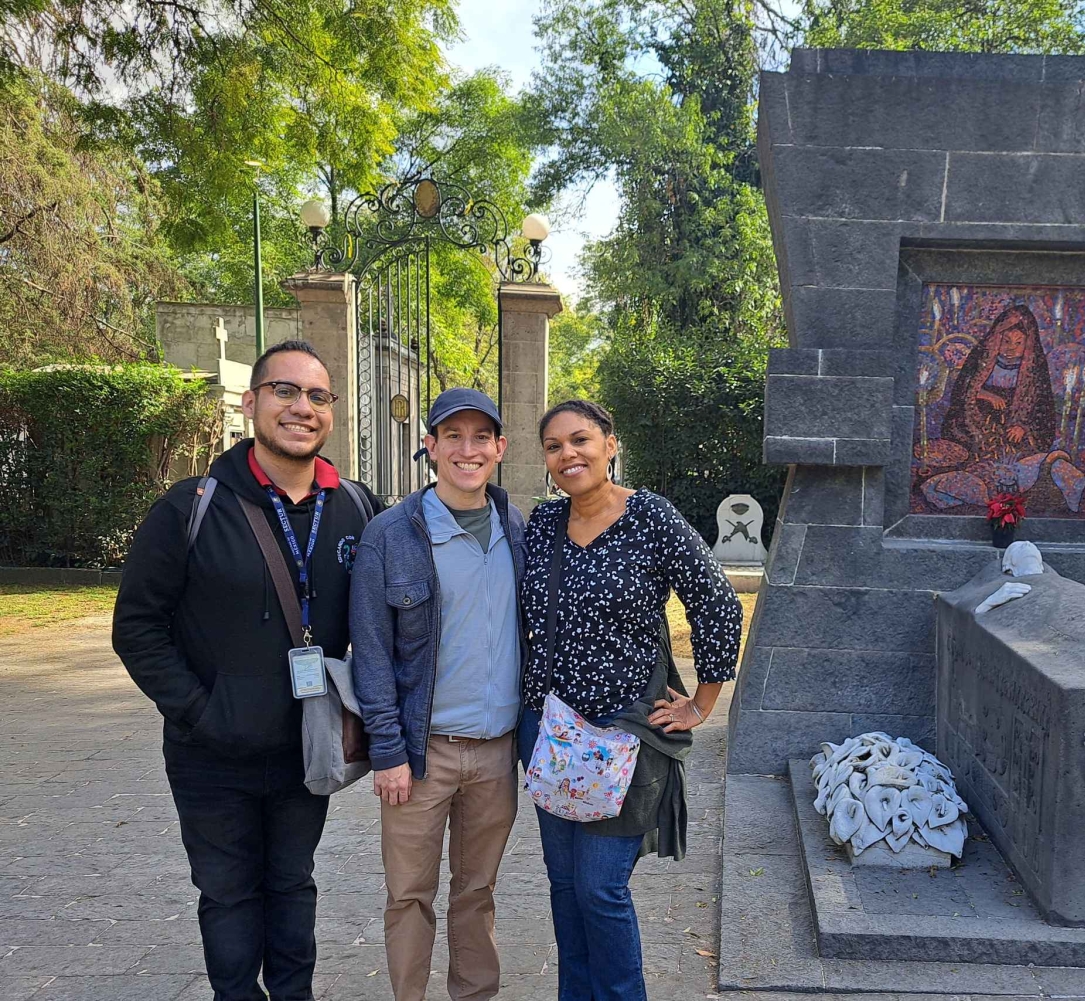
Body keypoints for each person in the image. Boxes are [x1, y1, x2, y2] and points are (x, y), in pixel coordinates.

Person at [113, 339, 381, 1001]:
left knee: (292, 886)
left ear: (332, 412)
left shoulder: (356, 506)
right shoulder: (192, 506)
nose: (302, 407)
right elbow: (137, 627)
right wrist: (202, 712)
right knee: (229, 894)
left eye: (318, 396)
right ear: (251, 402)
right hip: (212, 755)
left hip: (307, 747)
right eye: (285, 391)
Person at [518, 399, 742, 1001]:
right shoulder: (542, 526)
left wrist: (702, 702)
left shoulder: (651, 518)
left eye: (581, 440)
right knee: (564, 888)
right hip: (549, 730)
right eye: (555, 446)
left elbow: (716, 603)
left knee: (599, 888)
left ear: (610, 445)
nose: (569, 454)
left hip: (624, 733)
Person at [349, 387, 528, 1001]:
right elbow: (370, 651)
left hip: (497, 754)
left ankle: (475, 994)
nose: (467, 449)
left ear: (500, 449)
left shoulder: (517, 529)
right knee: (408, 896)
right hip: (419, 756)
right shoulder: (390, 535)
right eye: (452, 436)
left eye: (481, 437)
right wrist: (387, 751)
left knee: (477, 892)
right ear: (430, 446)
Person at [941, 302, 1057, 459]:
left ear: (1028, 344)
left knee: (1013, 455)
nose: (1011, 348)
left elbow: (1041, 409)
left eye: (1018, 343)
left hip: (1011, 426)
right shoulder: (982, 358)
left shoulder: (1034, 369)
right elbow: (961, 391)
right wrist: (984, 394)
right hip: (976, 421)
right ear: (997, 338)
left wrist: (1023, 427)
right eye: (1006, 341)